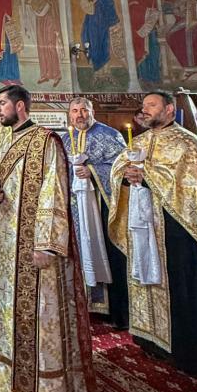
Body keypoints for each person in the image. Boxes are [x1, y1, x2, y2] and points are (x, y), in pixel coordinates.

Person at [0, 85, 99, 392]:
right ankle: (9, 385)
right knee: (9, 310)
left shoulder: (46, 141)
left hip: (35, 243)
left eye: (2, 104)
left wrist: (47, 244)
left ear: (20, 106)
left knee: (41, 314)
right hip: (8, 241)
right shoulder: (0, 138)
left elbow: (54, 192)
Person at [107, 90, 197, 377]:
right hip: (144, 228)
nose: (144, 109)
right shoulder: (140, 141)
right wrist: (125, 177)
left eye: (152, 105)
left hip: (178, 231)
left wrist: (147, 176)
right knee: (146, 279)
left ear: (170, 109)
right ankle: (152, 340)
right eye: (143, 105)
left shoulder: (189, 144)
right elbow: (118, 170)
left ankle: (188, 352)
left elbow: (194, 188)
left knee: (182, 286)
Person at [61, 97, 128, 328]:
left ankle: (113, 310)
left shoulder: (109, 135)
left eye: (84, 110)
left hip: (101, 207)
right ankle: (85, 304)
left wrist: (92, 170)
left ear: (92, 112)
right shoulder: (65, 139)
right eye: (75, 111)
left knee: (106, 251)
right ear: (69, 115)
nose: (79, 115)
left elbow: (122, 167)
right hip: (74, 206)